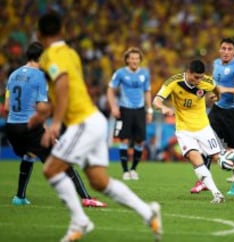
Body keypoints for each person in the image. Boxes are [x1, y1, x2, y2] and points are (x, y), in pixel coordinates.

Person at [35, 11, 162, 242]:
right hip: (95, 120)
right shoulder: (71, 53)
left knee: (51, 169)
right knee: (99, 181)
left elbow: (62, 85)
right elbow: (67, 87)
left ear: (39, 33)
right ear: (62, 31)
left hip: (82, 122)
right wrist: (41, 117)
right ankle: (148, 211)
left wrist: (54, 122)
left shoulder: (49, 57)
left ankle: (80, 221)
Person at [4, 42, 106, 208]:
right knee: (63, 159)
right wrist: (47, 131)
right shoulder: (39, 76)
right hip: (30, 127)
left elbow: (7, 107)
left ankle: (19, 197)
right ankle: (86, 198)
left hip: (12, 127)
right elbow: (42, 108)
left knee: (29, 154)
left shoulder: (13, 75)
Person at [153, 59, 225, 204]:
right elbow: (156, 101)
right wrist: (164, 108)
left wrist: (217, 97)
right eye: (195, 77)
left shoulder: (207, 81)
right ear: (188, 72)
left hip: (204, 128)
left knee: (221, 161)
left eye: (200, 77)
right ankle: (217, 194)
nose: (198, 81)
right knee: (195, 159)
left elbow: (217, 89)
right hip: (184, 130)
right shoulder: (173, 82)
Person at [190, 38, 234, 195]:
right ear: (219, 50)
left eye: (230, 49)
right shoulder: (216, 63)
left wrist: (224, 90)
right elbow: (217, 85)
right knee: (206, 142)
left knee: (233, 149)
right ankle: (203, 180)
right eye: (223, 48)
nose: (226, 52)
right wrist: (216, 96)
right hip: (217, 110)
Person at [107, 47, 153, 180]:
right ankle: (125, 170)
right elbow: (110, 90)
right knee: (124, 139)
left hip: (139, 110)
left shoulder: (144, 73)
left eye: (137, 58)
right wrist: (113, 107)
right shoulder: (120, 73)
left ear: (140, 60)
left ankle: (133, 169)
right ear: (127, 59)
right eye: (132, 58)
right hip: (124, 109)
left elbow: (147, 92)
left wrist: (149, 110)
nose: (134, 61)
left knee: (139, 141)